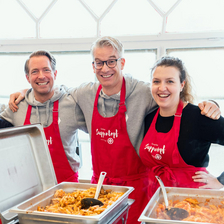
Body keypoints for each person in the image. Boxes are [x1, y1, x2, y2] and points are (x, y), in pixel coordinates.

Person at [8, 37, 221, 224]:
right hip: (101, 188)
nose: (105, 68)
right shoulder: (83, 93)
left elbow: (173, 101)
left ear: (122, 62)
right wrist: (26, 92)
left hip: (141, 188)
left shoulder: (146, 93)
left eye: (111, 61)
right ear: (93, 66)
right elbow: (51, 92)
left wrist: (210, 105)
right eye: (99, 62)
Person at [139, 56, 224, 199]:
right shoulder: (148, 118)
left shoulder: (199, 117)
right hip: (156, 201)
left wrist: (220, 181)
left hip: (194, 203)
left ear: (182, 85)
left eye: (170, 81)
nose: (162, 88)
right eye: (156, 81)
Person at [0, 50, 87, 184]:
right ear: (28, 78)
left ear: (55, 74)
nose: (41, 76)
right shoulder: (17, 106)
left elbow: (96, 127)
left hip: (67, 187)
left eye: (46, 70)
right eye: (35, 71)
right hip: (28, 187)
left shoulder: (72, 104)